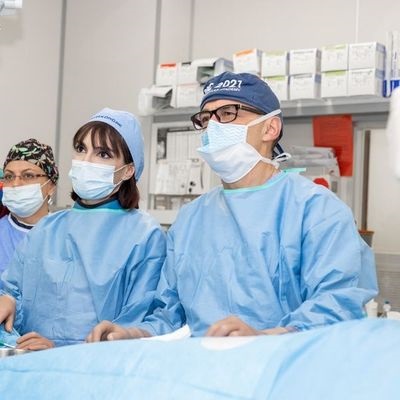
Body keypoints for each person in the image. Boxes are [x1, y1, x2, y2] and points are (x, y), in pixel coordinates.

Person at [87, 72, 377, 342]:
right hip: (203, 370)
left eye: (227, 114)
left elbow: (336, 307)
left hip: (283, 369)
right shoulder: (191, 219)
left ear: (270, 128)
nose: (212, 127)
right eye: (205, 118)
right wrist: (133, 334)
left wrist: (262, 339)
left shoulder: (316, 210)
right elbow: (169, 315)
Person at [0, 108, 166, 350]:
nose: (85, 161)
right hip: (32, 364)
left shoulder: (144, 235)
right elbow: (13, 291)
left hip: (96, 369)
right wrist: (8, 302)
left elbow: (137, 326)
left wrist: (59, 353)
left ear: (128, 170)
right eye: (81, 149)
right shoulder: (47, 228)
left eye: (103, 154)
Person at [0, 139, 58, 285]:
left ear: (51, 186)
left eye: (28, 176)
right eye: (9, 176)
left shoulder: (65, 236)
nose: (15, 184)